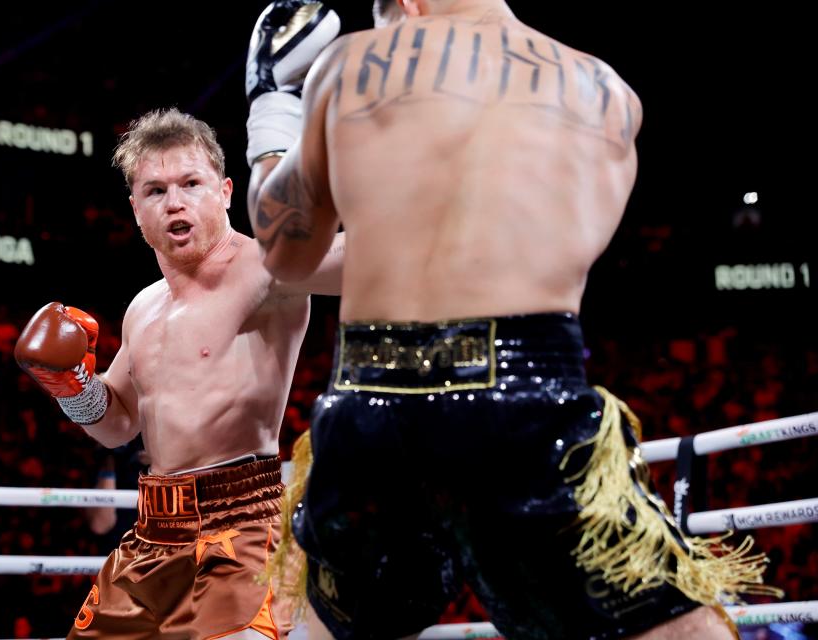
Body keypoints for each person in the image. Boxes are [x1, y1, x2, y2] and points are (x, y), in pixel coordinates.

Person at [245, 1, 777, 639]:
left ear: (404, 8)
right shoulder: (606, 93)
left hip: (370, 400)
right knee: (676, 627)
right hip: (524, 390)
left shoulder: (351, 63)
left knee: (330, 622)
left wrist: (271, 107)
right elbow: (555, 257)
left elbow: (287, 251)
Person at [14, 40, 343, 638]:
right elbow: (117, 426)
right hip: (151, 533)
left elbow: (356, 259)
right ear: (135, 209)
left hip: (242, 526)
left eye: (191, 183)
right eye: (156, 191)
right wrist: (71, 384)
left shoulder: (264, 267)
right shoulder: (144, 307)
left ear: (222, 191)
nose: (175, 202)